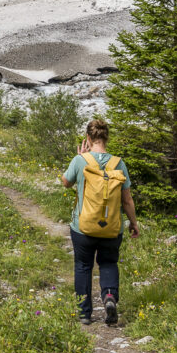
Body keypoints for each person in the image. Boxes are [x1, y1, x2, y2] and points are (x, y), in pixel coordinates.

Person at [60, 118, 139, 326]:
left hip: (82, 227)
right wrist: (133, 223)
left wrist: (79, 158)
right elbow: (127, 199)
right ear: (107, 138)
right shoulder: (118, 163)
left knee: (83, 266)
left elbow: (66, 182)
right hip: (112, 227)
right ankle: (110, 297)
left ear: (88, 137)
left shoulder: (80, 161)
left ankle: (84, 313)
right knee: (109, 263)